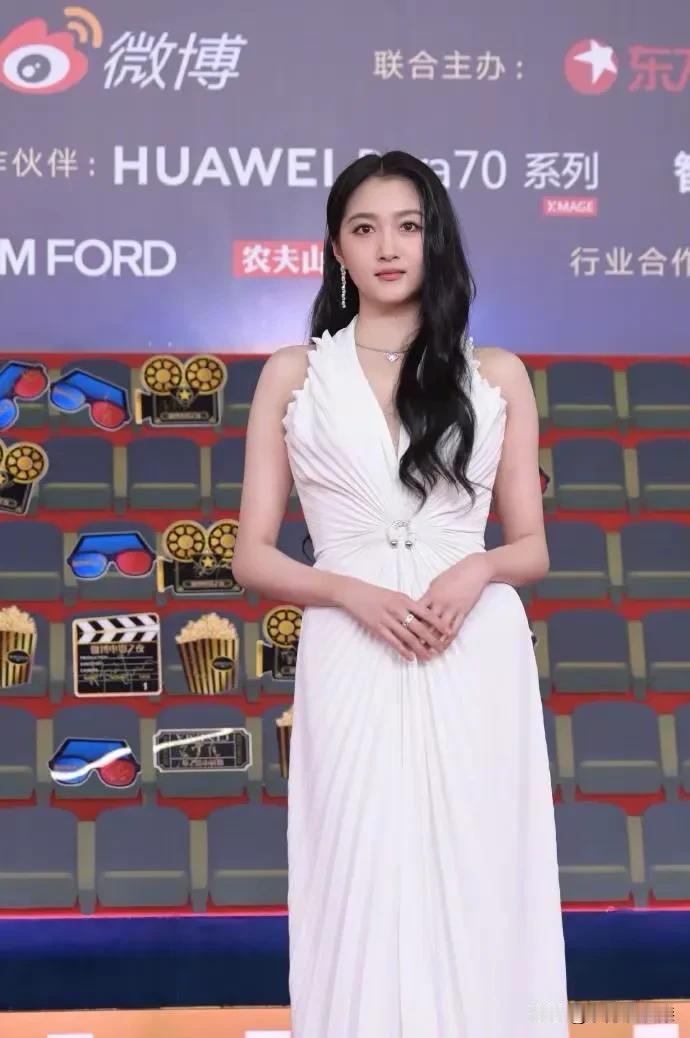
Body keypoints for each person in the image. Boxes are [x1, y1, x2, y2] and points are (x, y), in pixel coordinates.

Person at [232, 150, 569, 1037]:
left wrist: (476, 568)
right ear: (337, 248)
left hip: (474, 644)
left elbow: (531, 547)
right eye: (365, 228)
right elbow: (250, 556)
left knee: (480, 866)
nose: (388, 247)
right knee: (359, 862)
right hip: (351, 645)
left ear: (435, 239)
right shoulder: (293, 373)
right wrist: (350, 593)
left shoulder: (496, 373)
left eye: (408, 226)